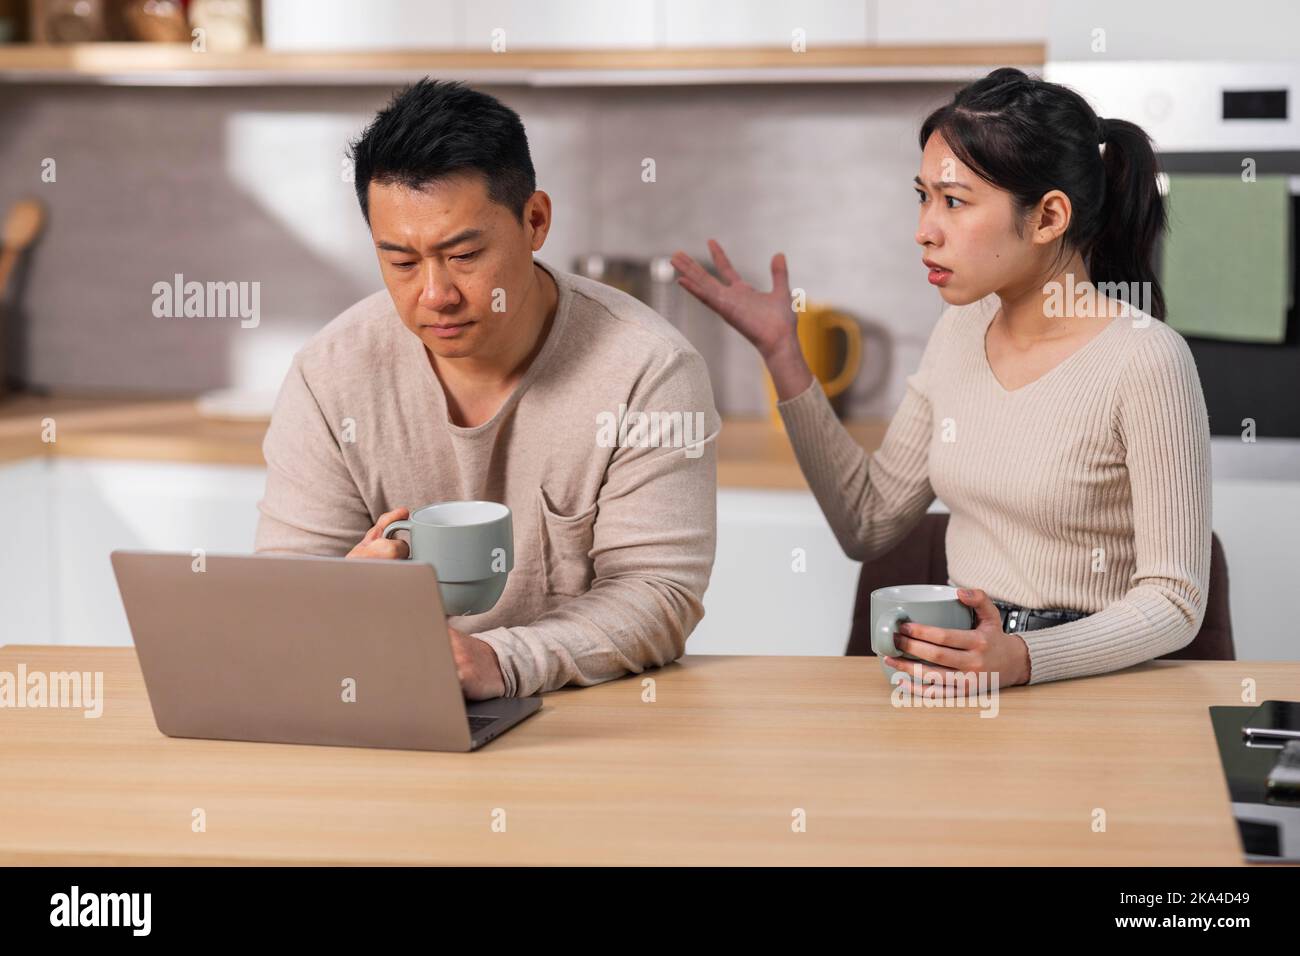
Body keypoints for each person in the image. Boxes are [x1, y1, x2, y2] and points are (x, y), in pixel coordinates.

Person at [672, 67, 1211, 691]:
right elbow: (868, 523)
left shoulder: (1146, 360)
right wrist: (783, 356)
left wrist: (1024, 657)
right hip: (962, 671)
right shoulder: (959, 332)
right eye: (923, 196)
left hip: (1091, 686)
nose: (925, 229)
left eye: (954, 201)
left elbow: (1175, 602)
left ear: (1047, 218)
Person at [255, 79, 720, 700]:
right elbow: (286, 591)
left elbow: (657, 595)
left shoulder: (649, 369)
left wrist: (499, 662)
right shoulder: (329, 374)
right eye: (400, 261)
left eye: (465, 254)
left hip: (584, 722)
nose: (434, 294)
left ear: (535, 221)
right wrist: (341, 596)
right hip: (392, 705)